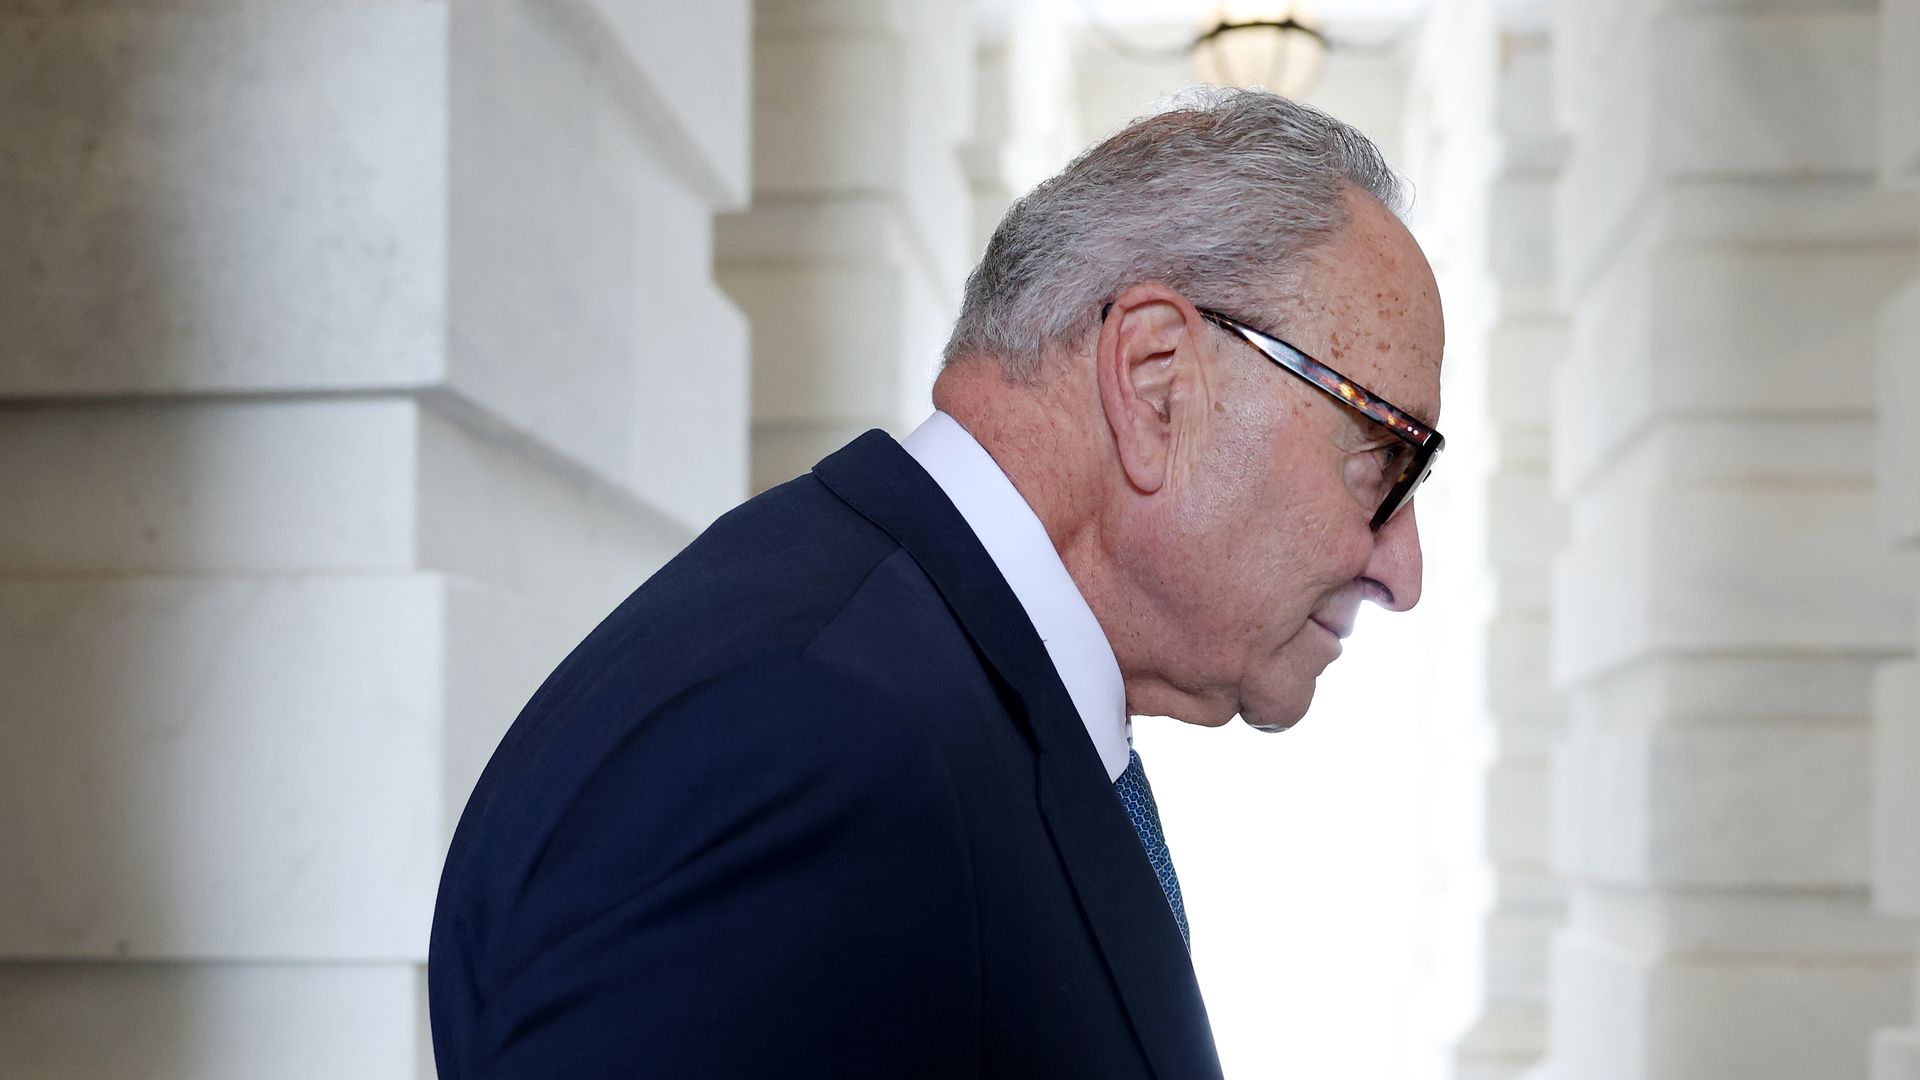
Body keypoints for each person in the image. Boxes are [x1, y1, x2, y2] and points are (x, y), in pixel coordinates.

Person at [428, 87, 1444, 1080]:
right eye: (1385, 460)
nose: (1403, 570)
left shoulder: (916, 682)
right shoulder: (809, 735)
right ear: (1155, 381)